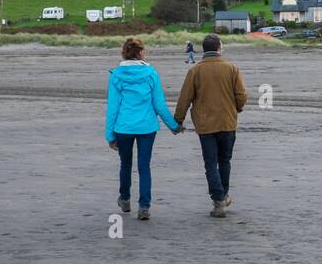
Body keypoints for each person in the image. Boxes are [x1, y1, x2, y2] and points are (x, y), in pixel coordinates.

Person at [105, 37, 182, 221]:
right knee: (144, 166)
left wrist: (109, 135)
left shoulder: (116, 75)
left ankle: (124, 199)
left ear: (124, 53)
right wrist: (174, 125)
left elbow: (112, 108)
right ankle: (144, 206)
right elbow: (159, 104)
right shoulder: (151, 73)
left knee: (125, 164)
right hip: (147, 127)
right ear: (141, 53)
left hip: (123, 127)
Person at [174, 33, 248, 218]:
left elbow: (185, 98)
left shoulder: (195, 71)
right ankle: (222, 196)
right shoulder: (232, 68)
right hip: (228, 122)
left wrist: (178, 120)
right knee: (224, 161)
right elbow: (241, 95)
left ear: (204, 50)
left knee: (211, 164)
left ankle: (219, 200)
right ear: (218, 49)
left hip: (206, 125)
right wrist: (236, 108)